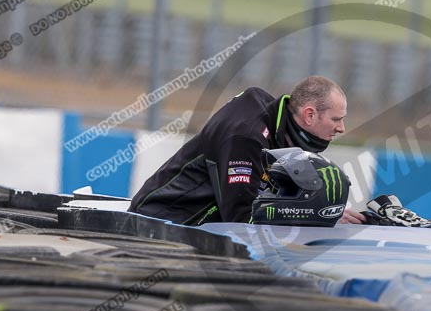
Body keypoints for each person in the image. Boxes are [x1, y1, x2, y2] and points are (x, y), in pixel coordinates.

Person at [129, 75, 366, 225]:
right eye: (337, 119)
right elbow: (242, 218)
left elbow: (287, 194)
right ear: (309, 115)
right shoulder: (246, 137)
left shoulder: (280, 122)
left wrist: (326, 210)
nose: (342, 128)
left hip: (197, 226)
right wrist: (317, 214)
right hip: (159, 223)